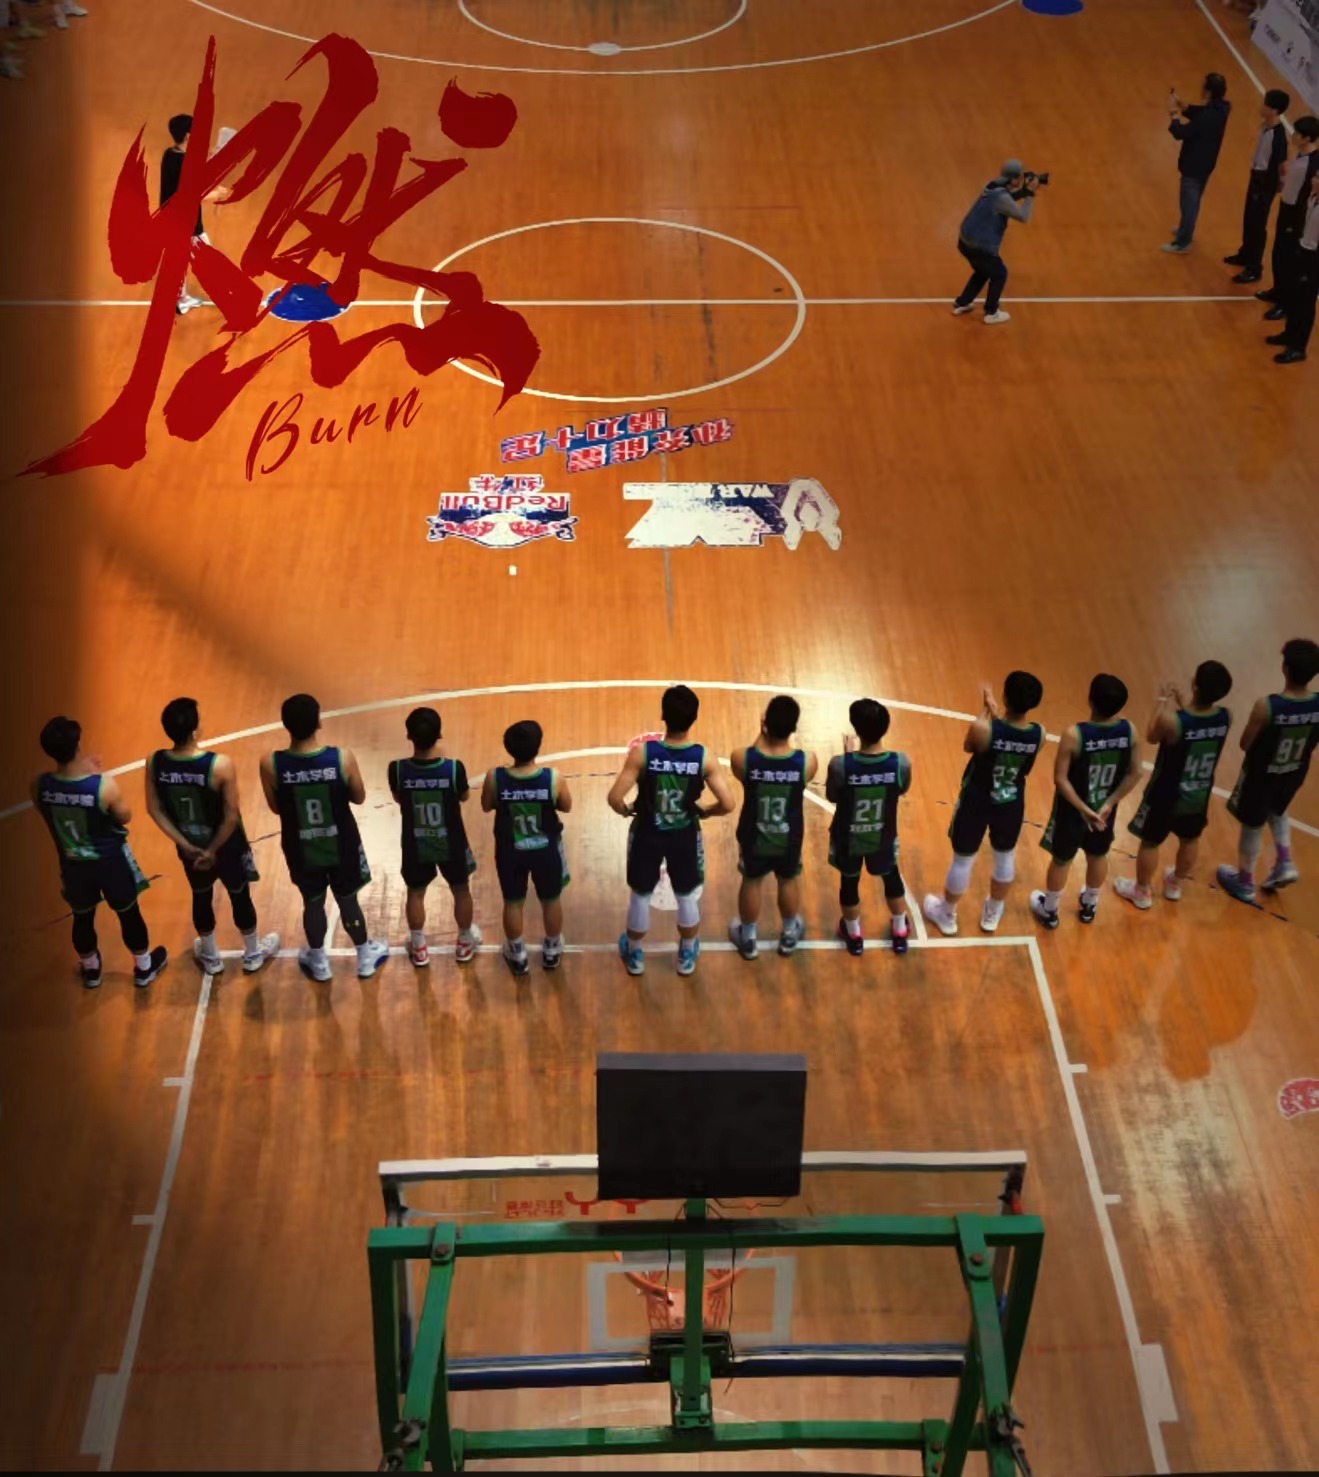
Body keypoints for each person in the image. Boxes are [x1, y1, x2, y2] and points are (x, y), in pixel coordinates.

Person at [145, 697, 279, 976]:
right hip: (227, 845)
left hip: (190, 847)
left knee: (201, 895)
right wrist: (213, 850)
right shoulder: (219, 765)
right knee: (239, 895)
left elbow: (154, 809)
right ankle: (253, 953)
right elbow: (231, 816)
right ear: (195, 731)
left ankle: (210, 956)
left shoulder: (155, 762)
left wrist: (185, 844)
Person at [608, 685, 735, 977]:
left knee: (640, 896)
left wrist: (626, 810)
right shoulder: (704, 757)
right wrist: (707, 811)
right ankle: (687, 953)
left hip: (647, 833)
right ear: (694, 718)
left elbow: (614, 798)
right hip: (684, 834)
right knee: (686, 895)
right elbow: (728, 803)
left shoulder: (643, 754)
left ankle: (635, 954)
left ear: (663, 715)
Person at [259, 694, 388, 981]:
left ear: (285, 724)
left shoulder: (270, 764)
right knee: (348, 901)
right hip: (341, 844)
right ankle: (364, 956)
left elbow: (276, 807)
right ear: (318, 722)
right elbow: (359, 796)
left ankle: (318, 960)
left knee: (313, 902)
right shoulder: (341, 758)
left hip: (301, 846)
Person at [32, 716, 168, 989]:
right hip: (110, 864)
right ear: (78, 744)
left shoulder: (39, 785)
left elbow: (58, 802)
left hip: (73, 865)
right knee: (128, 913)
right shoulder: (102, 786)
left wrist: (82, 774)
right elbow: (124, 816)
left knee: (82, 917)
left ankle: (91, 969)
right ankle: (144, 968)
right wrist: (92, 776)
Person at [923, 672, 1045, 936]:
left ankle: (947, 914)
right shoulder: (1039, 734)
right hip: (1011, 800)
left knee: (963, 859)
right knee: (1004, 857)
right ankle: (993, 912)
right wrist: (996, 717)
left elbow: (971, 745)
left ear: (1005, 696)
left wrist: (986, 713)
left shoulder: (984, 729)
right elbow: (1012, 739)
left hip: (977, 799)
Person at [1113, 663, 1234, 910]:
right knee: (1190, 839)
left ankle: (1142, 891)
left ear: (1195, 685)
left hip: (1167, 793)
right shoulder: (1226, 717)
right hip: (1198, 792)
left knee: (1150, 842)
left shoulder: (1173, 722)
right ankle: (1175, 885)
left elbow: (1151, 735)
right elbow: (1199, 726)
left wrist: (1162, 701)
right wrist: (1185, 706)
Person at [1029, 675, 1143, 929]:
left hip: (1073, 812)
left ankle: (1050, 910)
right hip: (1104, 812)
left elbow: (1060, 779)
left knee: (1061, 860)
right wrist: (1110, 802)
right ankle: (1089, 905)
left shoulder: (1075, 735)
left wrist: (1083, 809)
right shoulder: (1130, 731)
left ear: (1090, 700)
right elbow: (1136, 772)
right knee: (1098, 855)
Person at [1217, 638, 1319, 902]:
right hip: (1294, 771)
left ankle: (1244, 883)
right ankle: (1284, 861)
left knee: (1252, 825)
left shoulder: (1267, 706)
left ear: (1285, 668)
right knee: (1278, 809)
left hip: (1263, 775)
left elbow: (1245, 743)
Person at [388, 706, 480, 968]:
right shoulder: (453, 769)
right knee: (460, 889)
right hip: (451, 841)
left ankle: (419, 947)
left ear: (409, 735)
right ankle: (464, 942)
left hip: (415, 842)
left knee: (415, 893)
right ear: (440, 735)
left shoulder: (397, 770)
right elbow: (464, 796)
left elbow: (398, 798)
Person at [728, 695, 818, 960]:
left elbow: (752, 757)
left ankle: (748, 939)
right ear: (794, 728)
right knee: (787, 880)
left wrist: (762, 731)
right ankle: (789, 935)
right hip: (788, 836)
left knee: (751, 881)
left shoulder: (742, 758)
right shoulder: (807, 762)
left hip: (754, 834)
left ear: (764, 722)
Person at [481, 720, 571, 976]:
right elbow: (566, 806)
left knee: (513, 902)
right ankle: (552, 949)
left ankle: (517, 953)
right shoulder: (553, 778)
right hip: (545, 850)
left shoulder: (495, 777)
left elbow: (486, 806)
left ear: (508, 747)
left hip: (511, 851)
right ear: (538, 747)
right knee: (551, 900)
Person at [827, 699, 913, 956]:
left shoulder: (840, 765)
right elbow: (902, 788)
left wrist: (848, 756)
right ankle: (900, 930)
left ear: (856, 729)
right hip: (882, 835)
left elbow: (832, 796)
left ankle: (853, 935)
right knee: (891, 878)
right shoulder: (900, 763)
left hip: (848, 837)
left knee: (849, 883)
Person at [951, 160, 1043, 325]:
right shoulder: (1002, 198)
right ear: (1013, 179)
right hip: (979, 246)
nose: (1022, 179)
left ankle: (962, 303)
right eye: (1020, 177)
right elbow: (1024, 217)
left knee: (983, 270)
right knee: (1000, 273)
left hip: (964, 241)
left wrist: (1022, 192)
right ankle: (991, 312)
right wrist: (1029, 194)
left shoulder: (992, 185)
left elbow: (1006, 200)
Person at [161, 112, 230, 316]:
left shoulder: (170, 155)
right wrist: (219, 194)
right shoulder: (184, 164)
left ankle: (180, 300)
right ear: (188, 136)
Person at [1224, 88, 1291, 284]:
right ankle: (1245, 254)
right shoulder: (1265, 127)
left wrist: (1278, 185)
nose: (1261, 107)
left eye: (1265, 104)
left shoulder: (1279, 136)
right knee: (1248, 218)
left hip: (1265, 183)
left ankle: (1254, 267)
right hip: (1256, 178)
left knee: (1257, 224)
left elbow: (1282, 165)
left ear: (1274, 110)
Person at [1163, 74, 1232, 254]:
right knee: (1191, 201)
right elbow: (1201, 112)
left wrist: (1173, 113)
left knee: (1188, 204)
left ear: (1208, 91)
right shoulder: (1223, 108)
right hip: (1206, 163)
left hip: (1193, 165)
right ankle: (1184, 230)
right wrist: (1182, 105)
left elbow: (1180, 132)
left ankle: (1182, 242)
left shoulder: (1206, 117)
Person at [1259, 117, 1319, 320]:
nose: (1293, 136)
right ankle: (1278, 291)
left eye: (1298, 133)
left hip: (1296, 218)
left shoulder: (1311, 164)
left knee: (1288, 261)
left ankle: (1285, 303)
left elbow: (1306, 197)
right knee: (1278, 254)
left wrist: (1296, 224)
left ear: (1307, 138)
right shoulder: (1301, 155)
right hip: (1286, 210)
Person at [1267, 169, 1319, 364]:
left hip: (1314, 259)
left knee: (1306, 303)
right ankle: (1289, 334)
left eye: (1317, 178)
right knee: (1295, 296)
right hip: (1302, 249)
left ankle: (1298, 348)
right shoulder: (1312, 199)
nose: (1313, 180)